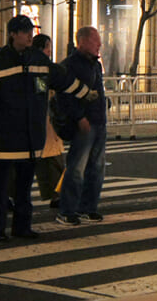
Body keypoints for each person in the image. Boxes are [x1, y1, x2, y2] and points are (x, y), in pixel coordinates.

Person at [0, 15, 98, 241]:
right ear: (13, 34)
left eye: (30, 32)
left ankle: (22, 227)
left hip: (31, 136)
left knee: (24, 187)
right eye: (25, 32)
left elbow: (62, 80)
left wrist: (85, 93)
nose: (29, 36)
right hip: (5, 135)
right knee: (0, 186)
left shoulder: (39, 60)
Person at [56, 26, 108, 226]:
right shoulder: (71, 65)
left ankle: (88, 207)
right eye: (96, 41)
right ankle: (68, 209)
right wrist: (79, 117)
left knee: (96, 167)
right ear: (83, 41)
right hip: (84, 122)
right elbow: (65, 96)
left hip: (98, 120)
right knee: (77, 167)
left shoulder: (95, 64)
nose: (99, 44)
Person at [32, 34, 63, 209]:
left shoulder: (38, 66)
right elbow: (41, 91)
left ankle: (55, 193)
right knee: (52, 159)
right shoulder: (40, 69)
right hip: (44, 118)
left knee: (50, 158)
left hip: (44, 118)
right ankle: (56, 194)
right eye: (47, 47)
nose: (50, 50)